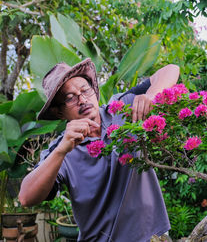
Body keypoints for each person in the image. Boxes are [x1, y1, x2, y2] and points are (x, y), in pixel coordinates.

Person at [18, 58, 180, 241]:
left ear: (94, 91)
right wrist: (61, 151)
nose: (82, 99)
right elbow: (26, 198)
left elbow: (171, 70)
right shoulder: (61, 150)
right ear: (59, 112)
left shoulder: (120, 109)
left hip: (152, 236)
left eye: (85, 90)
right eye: (70, 98)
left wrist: (151, 96)